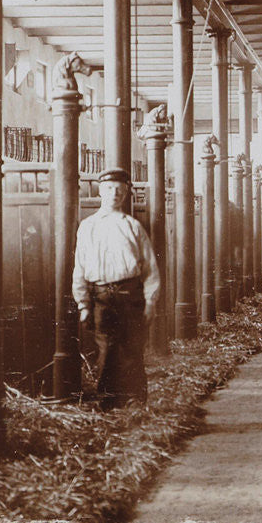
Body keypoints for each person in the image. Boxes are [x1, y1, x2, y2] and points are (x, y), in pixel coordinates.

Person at [72, 167, 160, 409]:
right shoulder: (88, 227)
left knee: (132, 348)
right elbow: (79, 267)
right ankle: (108, 401)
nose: (115, 194)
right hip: (101, 297)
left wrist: (151, 302)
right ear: (101, 191)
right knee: (106, 349)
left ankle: (135, 401)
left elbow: (150, 269)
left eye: (120, 190)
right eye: (110, 189)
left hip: (130, 295)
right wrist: (82, 304)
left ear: (126, 195)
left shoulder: (133, 227)